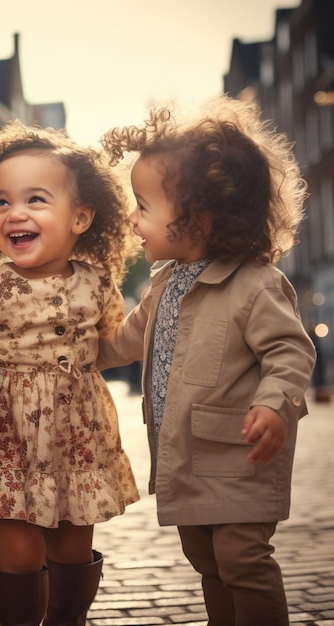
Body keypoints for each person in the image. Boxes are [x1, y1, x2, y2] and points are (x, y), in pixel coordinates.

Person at [98, 96, 316, 626]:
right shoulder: (164, 283)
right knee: (207, 561)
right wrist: (58, 345)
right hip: (183, 459)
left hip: (238, 455)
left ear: (199, 220)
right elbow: (122, 342)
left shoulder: (256, 284)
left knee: (241, 559)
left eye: (144, 206)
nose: (132, 217)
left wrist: (273, 405)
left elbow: (289, 352)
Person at [0, 120, 140, 626]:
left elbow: (112, 343)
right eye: (2, 202)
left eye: (35, 200)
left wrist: (154, 326)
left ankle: (68, 618)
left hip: (77, 439)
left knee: (72, 548)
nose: (14, 213)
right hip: (10, 437)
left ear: (81, 218)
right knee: (20, 554)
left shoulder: (97, 285)